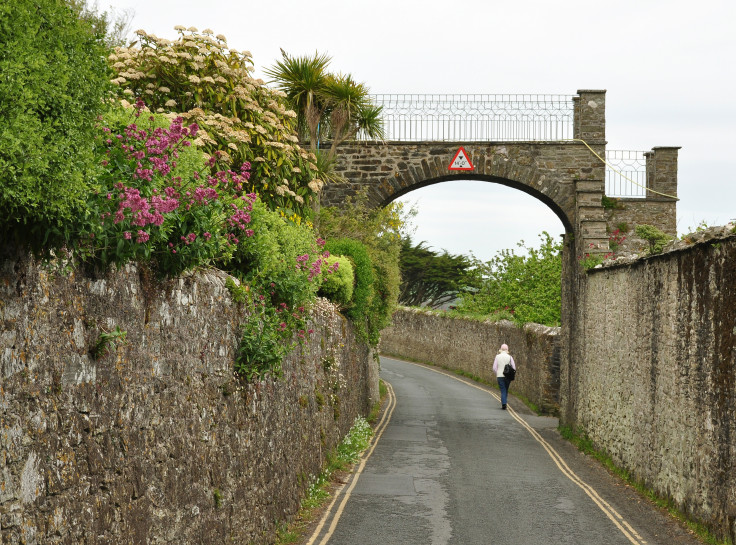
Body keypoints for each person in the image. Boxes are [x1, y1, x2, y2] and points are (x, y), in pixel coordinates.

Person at [492, 343, 516, 410]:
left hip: (500, 376)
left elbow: (494, 368)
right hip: (507, 376)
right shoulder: (510, 357)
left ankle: (504, 403)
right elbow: (514, 367)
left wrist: (497, 373)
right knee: (506, 389)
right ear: (507, 350)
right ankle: (504, 402)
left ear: (501, 349)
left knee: (503, 390)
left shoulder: (497, 356)